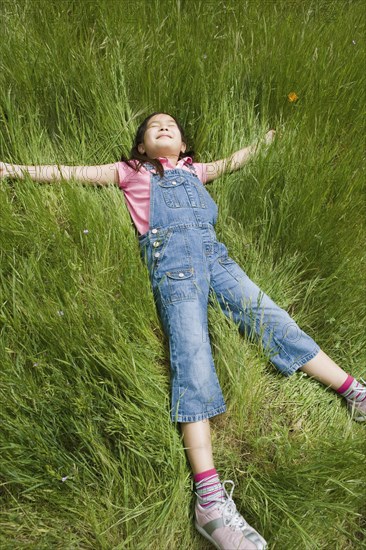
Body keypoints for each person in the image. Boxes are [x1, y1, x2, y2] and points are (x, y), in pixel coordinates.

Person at [1, 112, 365, 550]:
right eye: (153, 126)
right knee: (192, 357)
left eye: (170, 125)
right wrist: (12, 170)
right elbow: (66, 172)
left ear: (184, 143)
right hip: (173, 268)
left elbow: (234, 160)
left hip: (218, 260)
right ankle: (209, 502)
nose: (163, 127)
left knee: (273, 319)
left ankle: (353, 392)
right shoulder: (128, 172)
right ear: (140, 147)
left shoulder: (195, 170)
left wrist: (264, 142)